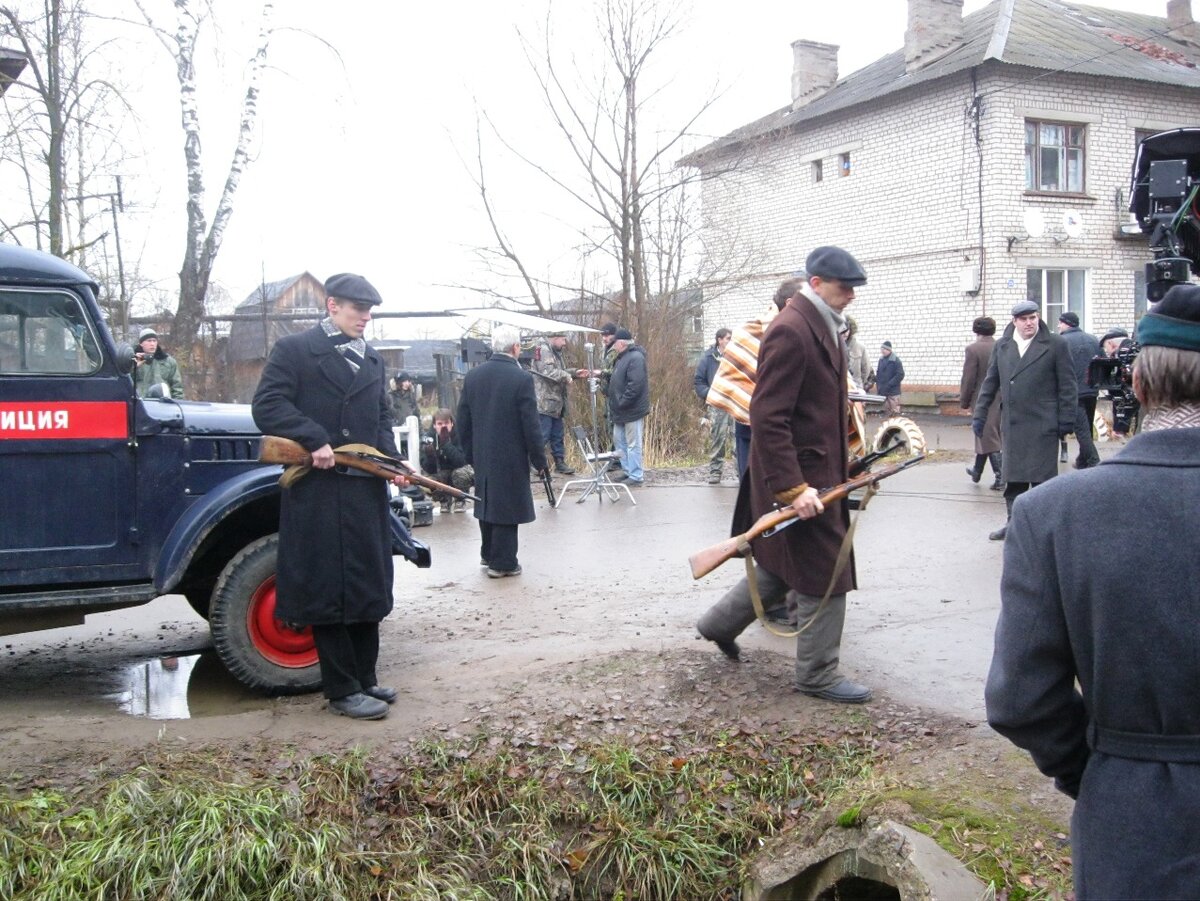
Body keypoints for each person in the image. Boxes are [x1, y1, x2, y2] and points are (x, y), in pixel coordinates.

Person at [985, 283, 1200, 898]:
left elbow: (1020, 699)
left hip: (1132, 824)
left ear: (1135, 385)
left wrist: (1109, 771)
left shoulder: (1053, 512)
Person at [697, 246, 872, 704]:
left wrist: (848, 465)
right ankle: (816, 675)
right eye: (844, 287)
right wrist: (793, 489)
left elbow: (819, 412)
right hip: (797, 480)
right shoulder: (792, 330)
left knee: (780, 563)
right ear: (816, 284)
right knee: (827, 571)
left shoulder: (825, 326)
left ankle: (716, 625)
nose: (852, 295)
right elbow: (768, 416)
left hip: (819, 473)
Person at [251, 273, 402, 721]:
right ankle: (341, 689)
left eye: (369, 311)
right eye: (358, 309)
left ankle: (366, 678)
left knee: (367, 583)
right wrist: (313, 438)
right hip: (318, 490)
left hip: (363, 491)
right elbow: (268, 405)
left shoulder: (372, 360)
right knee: (330, 588)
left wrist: (395, 466)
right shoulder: (296, 351)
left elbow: (380, 421)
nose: (366, 318)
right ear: (332, 306)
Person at [972, 300, 1075, 541]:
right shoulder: (1003, 346)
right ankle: (1013, 524)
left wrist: (1066, 420)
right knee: (1014, 477)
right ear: (1014, 321)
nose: (1029, 323)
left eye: (1033, 317)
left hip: (1043, 423)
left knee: (1042, 480)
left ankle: (1044, 528)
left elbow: (1068, 385)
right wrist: (980, 413)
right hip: (1013, 422)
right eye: (1024, 319)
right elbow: (990, 382)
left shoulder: (1055, 344)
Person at [457, 327, 548, 578]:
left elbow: (462, 419)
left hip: (482, 452)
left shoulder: (473, 376)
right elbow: (531, 424)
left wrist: (470, 453)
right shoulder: (521, 378)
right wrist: (539, 459)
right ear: (516, 348)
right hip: (510, 453)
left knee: (486, 501)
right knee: (507, 507)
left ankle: (488, 554)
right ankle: (504, 562)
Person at [706, 278, 801, 480]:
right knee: (754, 494)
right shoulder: (749, 333)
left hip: (788, 431)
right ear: (790, 303)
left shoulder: (800, 333)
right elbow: (732, 380)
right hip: (751, 429)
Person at [960, 316, 1003, 491]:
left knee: (988, 436)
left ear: (976, 330)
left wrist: (964, 401)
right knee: (986, 435)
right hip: (1003, 397)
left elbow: (968, 379)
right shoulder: (1003, 346)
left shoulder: (973, 349)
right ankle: (977, 471)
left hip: (982, 398)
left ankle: (1001, 476)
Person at [1056, 311, 1101, 469]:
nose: (1058, 326)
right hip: (1092, 389)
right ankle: (1082, 460)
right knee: (1086, 427)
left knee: (1081, 430)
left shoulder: (1061, 341)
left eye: (1060, 323)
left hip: (1073, 391)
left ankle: (1094, 462)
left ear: (1066, 323)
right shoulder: (1093, 339)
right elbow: (1101, 361)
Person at [605, 328, 649, 487]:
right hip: (620, 410)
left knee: (633, 443)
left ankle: (636, 475)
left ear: (622, 343)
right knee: (620, 442)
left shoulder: (635, 358)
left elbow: (635, 385)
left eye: (615, 342)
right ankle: (627, 470)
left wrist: (622, 402)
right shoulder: (622, 357)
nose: (613, 345)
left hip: (631, 409)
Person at [531, 331, 576, 475]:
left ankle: (560, 462)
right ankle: (534, 464)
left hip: (556, 402)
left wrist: (574, 373)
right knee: (543, 435)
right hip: (545, 402)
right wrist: (566, 376)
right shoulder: (543, 350)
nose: (564, 343)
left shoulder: (554, 351)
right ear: (555, 338)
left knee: (557, 434)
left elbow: (559, 370)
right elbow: (548, 372)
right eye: (563, 339)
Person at [694, 327, 733, 484]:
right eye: (728, 338)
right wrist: (709, 394)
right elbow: (698, 381)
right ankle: (715, 471)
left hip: (734, 403)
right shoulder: (708, 358)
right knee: (718, 438)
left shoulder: (734, 356)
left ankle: (741, 470)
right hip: (717, 404)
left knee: (738, 439)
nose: (730, 341)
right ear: (720, 340)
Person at [419, 408, 474, 513]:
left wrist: (446, 445)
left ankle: (460, 500)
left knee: (460, 473)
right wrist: (430, 456)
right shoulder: (428, 439)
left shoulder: (460, 435)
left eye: (446, 423)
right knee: (429, 481)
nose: (443, 426)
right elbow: (428, 469)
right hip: (442, 474)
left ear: (452, 423)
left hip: (459, 471)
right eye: (439, 424)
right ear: (434, 425)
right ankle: (444, 500)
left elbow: (462, 461)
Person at [132, 328, 184, 399]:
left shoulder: (168, 361)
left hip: (163, 404)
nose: (152, 344)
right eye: (149, 341)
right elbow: (125, 382)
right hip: (140, 404)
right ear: (141, 343)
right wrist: (134, 367)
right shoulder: (132, 360)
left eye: (154, 341)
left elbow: (177, 387)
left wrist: (176, 405)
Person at [875, 340, 904, 415]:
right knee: (887, 414)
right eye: (882, 349)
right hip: (884, 392)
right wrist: (879, 386)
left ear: (889, 350)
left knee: (895, 414)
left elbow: (900, 374)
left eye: (884, 349)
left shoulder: (896, 361)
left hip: (893, 393)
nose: (882, 351)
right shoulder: (881, 360)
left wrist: (890, 384)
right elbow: (879, 373)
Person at [845, 315, 872, 392]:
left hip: (856, 388)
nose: (845, 333)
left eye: (847, 329)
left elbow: (866, 369)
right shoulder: (833, 345)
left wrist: (859, 383)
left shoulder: (860, 347)